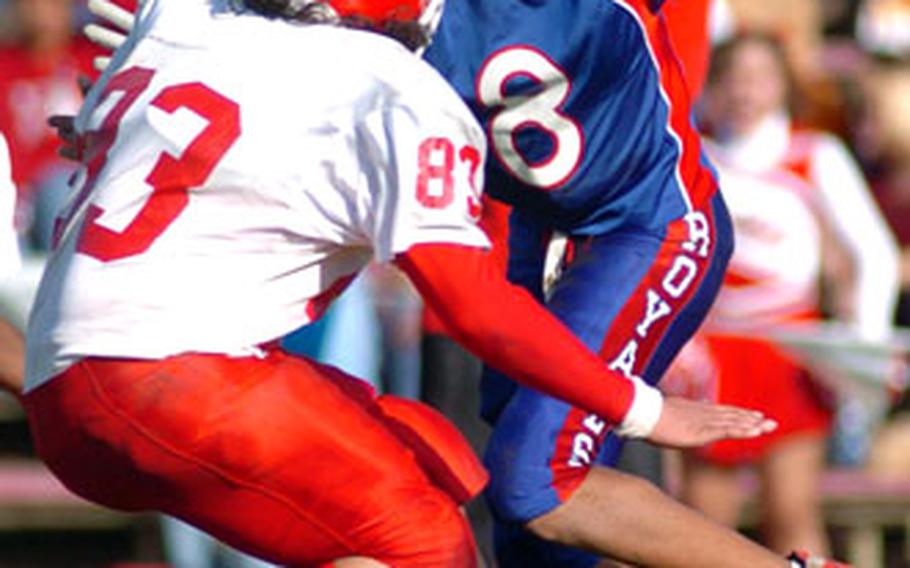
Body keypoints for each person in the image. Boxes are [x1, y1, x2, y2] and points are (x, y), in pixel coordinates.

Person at [26, 0, 775, 566]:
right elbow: (473, 306)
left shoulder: (186, 23)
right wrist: (643, 410)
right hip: (180, 376)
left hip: (63, 389)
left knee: (442, 457)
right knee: (441, 536)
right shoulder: (390, 86)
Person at [670, 32, 900, 556]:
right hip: (712, 355)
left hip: (793, 355)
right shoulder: (692, 155)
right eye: (733, 79)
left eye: (760, 79)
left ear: (782, 86)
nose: (746, 93)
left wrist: (859, 347)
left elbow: (874, 254)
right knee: (705, 518)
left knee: (791, 512)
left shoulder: (813, 153)